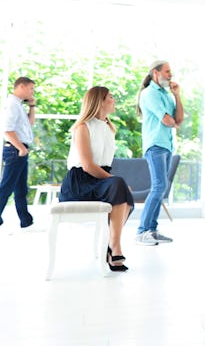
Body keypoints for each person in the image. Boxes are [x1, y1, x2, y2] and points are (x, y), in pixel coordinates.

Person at [59, 86, 134, 271]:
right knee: (120, 184)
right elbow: (87, 165)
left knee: (126, 193)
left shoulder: (109, 128)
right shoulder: (82, 127)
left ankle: (112, 245)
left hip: (99, 180)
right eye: (110, 97)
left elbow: (104, 165)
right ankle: (114, 248)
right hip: (80, 182)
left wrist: (115, 181)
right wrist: (115, 180)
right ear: (99, 101)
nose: (114, 100)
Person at [134, 60, 183, 246]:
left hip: (166, 145)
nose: (171, 74)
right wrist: (173, 122)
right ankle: (141, 231)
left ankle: (151, 230)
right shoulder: (149, 94)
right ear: (156, 73)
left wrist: (177, 95)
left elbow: (178, 119)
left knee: (161, 187)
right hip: (154, 145)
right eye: (167, 71)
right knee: (158, 186)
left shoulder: (167, 95)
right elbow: (167, 120)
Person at [0, 77, 36, 230]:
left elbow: (29, 124)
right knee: (7, 187)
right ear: (21, 86)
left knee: (21, 189)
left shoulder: (18, 105)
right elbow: (7, 130)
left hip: (20, 150)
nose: (32, 92)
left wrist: (32, 106)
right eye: (31, 89)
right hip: (15, 150)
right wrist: (21, 148)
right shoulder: (12, 105)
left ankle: (26, 220)